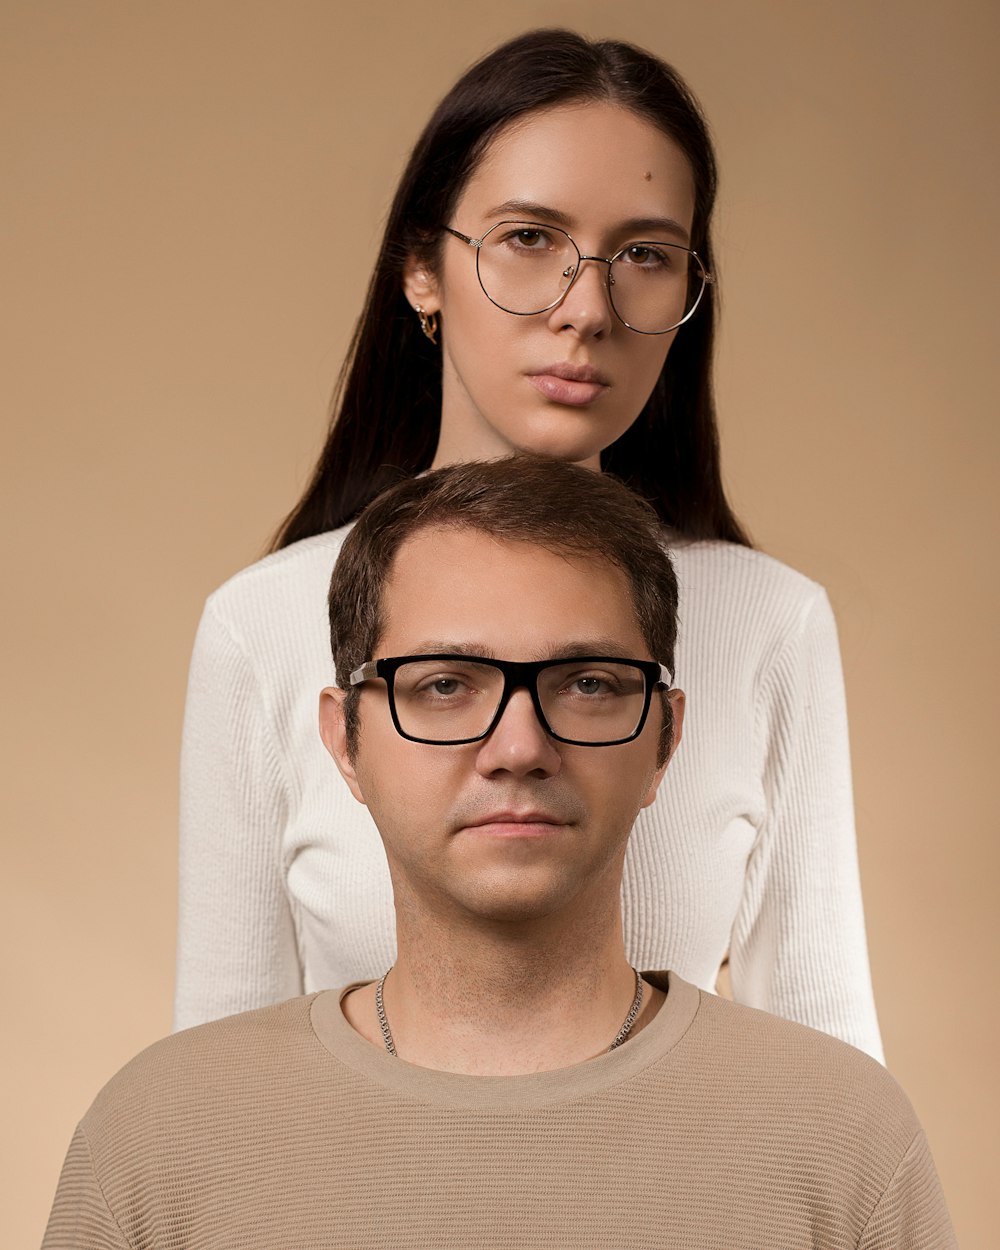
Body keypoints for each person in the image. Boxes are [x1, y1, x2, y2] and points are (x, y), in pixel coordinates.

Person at [175, 28, 884, 1059]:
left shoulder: (766, 622)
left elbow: (835, 1075)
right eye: (528, 239)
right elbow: (216, 1086)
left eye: (644, 255)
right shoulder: (263, 626)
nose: (586, 309)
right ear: (422, 268)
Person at [47, 459, 951, 1248]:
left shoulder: (847, 1141)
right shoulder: (158, 1140)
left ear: (665, 739)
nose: (518, 746)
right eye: (445, 685)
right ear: (345, 741)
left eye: (588, 683)